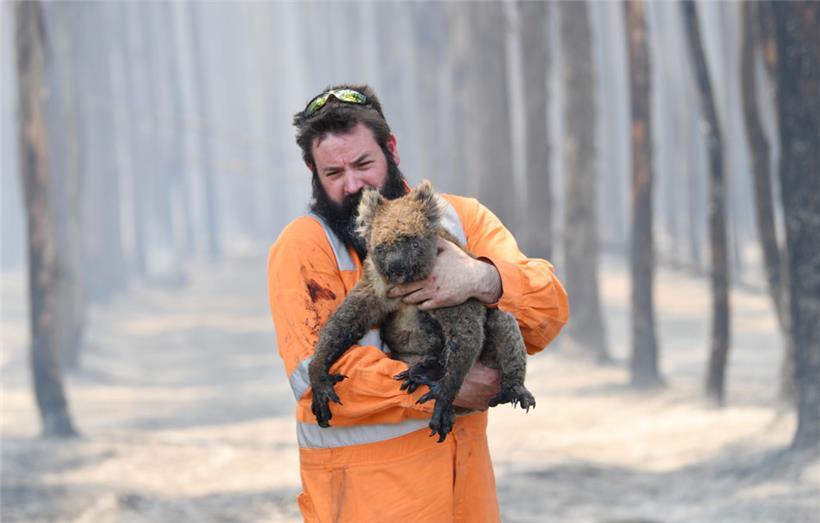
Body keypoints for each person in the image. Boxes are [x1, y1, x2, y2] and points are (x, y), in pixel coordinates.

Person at [267, 84, 569, 522]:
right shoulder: (305, 246)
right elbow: (313, 372)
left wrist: (483, 278)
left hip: (466, 500)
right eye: (333, 173)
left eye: (363, 164)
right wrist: (441, 387)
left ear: (391, 149)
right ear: (312, 171)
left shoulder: (459, 220)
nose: (353, 184)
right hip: (362, 506)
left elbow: (549, 310)